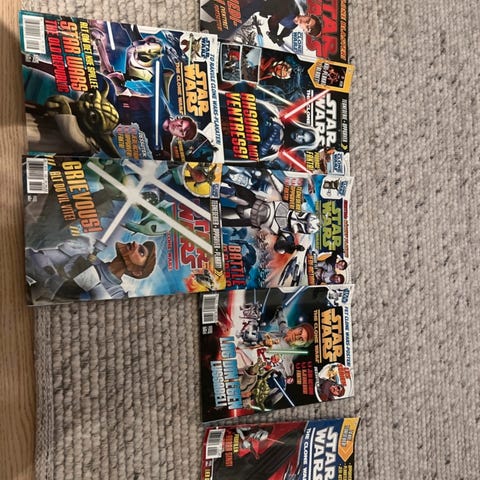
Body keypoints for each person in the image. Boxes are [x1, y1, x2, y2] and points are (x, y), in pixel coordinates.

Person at [25, 237, 156, 303]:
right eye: (140, 245)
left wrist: (94, 286)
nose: (135, 244)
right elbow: (33, 255)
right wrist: (53, 278)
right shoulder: (86, 257)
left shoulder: (117, 294)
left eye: (141, 252)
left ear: (137, 272)